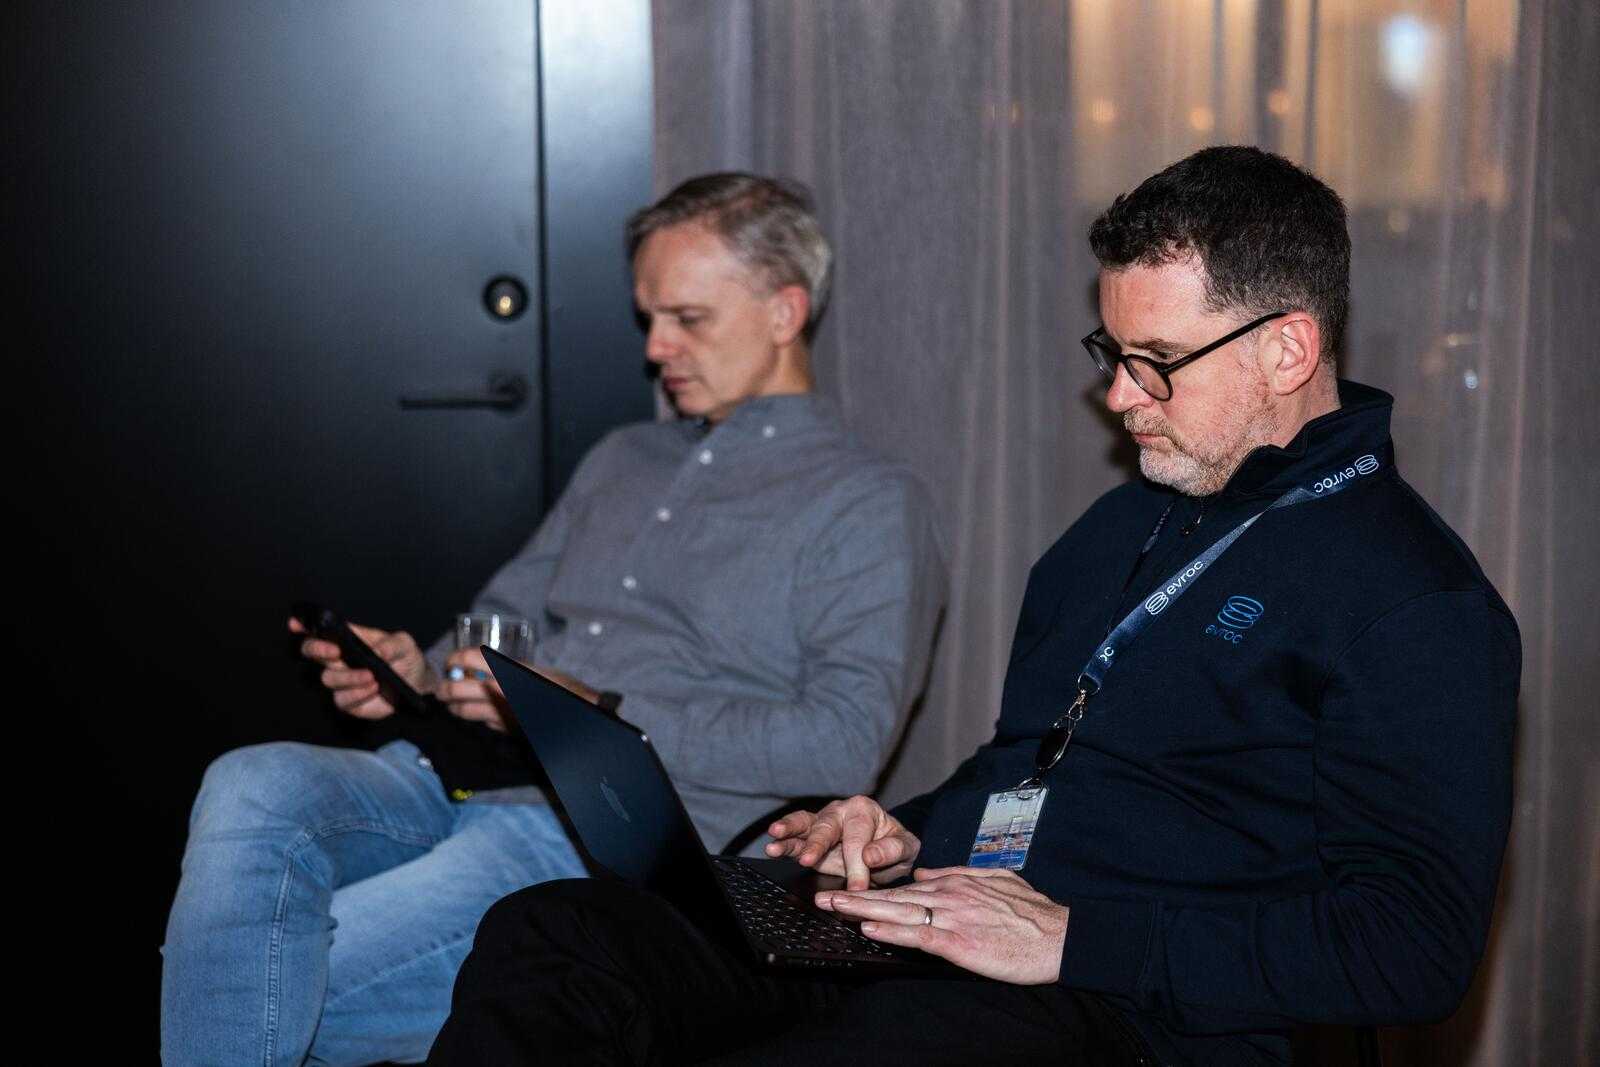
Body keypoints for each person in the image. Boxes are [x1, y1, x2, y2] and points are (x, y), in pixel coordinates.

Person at [425, 147, 1520, 1067]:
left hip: (1139, 1010)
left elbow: (1412, 950)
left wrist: (1073, 937)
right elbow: (1032, 759)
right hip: (949, 928)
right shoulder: (1120, 527)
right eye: (1112, 353)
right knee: (560, 935)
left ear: (1287, 348)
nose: (1118, 396)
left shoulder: (1412, 599)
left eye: (1156, 361)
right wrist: (910, 824)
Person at [159, 173, 946, 1067]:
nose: (656, 348)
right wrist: (418, 671)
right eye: (649, 318)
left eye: (687, 318)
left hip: (595, 834)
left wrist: (602, 710)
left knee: (248, 978)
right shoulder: (625, 456)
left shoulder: (868, 501)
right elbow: (503, 619)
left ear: (784, 311)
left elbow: (841, 742)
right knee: (251, 780)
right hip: (461, 772)